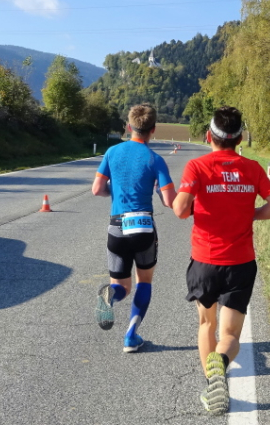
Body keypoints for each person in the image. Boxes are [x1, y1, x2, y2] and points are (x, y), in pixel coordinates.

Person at [173, 106, 270, 415]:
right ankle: (221, 362)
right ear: (239, 139)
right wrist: (250, 213)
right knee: (231, 335)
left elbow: (180, 210)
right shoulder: (252, 168)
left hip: (205, 261)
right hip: (240, 262)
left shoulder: (197, 166)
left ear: (208, 136)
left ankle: (212, 383)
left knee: (206, 324)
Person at [92, 103, 176, 353]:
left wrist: (114, 192)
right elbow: (169, 201)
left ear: (129, 127)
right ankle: (131, 336)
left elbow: (97, 189)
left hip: (117, 226)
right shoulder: (155, 159)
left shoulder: (112, 152)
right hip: (143, 227)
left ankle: (111, 294)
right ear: (153, 130)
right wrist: (158, 192)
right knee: (144, 282)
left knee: (122, 287)